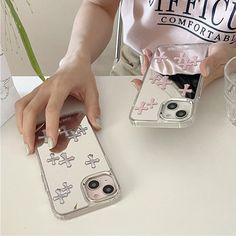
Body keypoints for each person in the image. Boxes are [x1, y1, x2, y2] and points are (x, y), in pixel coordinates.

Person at [15, 0, 236, 155]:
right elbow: (100, 5)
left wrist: (230, 57)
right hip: (138, 68)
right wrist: (76, 58)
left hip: (229, 78)